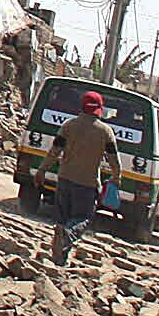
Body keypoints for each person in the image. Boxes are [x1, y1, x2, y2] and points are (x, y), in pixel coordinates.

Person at [49, 91, 122, 266]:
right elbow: (114, 158)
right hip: (87, 183)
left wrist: (42, 170)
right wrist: (116, 177)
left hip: (65, 178)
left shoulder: (68, 125)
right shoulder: (105, 131)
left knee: (62, 220)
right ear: (99, 109)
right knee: (82, 219)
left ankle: (60, 259)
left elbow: (54, 151)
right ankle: (67, 238)